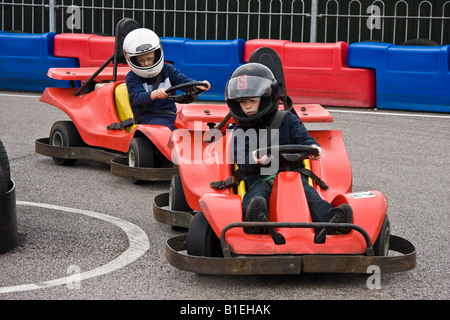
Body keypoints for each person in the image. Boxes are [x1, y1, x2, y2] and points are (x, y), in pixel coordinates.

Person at [225, 63, 352, 241]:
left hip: (293, 176)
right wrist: (254, 159)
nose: (247, 107)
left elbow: (304, 139)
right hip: (260, 178)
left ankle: (332, 221)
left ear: (266, 98)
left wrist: (313, 149)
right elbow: (242, 161)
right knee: (257, 196)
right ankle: (255, 219)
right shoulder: (241, 131)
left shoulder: (287, 119)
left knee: (311, 196)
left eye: (252, 101)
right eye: (243, 102)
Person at [123, 28, 210, 130]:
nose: (146, 63)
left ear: (156, 55)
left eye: (149, 59)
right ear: (133, 60)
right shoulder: (132, 77)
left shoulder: (167, 70)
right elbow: (139, 97)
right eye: (141, 60)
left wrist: (196, 85)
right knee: (166, 130)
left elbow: (182, 80)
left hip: (170, 114)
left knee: (199, 125)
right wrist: (155, 94)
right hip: (147, 117)